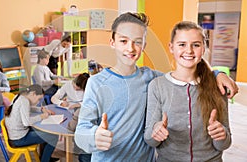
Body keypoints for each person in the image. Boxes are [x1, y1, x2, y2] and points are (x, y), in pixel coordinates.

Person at [74, 12, 238, 161]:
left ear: (144, 45)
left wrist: (216, 74)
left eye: (137, 42)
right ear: (112, 42)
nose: (130, 48)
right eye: (123, 41)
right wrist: (94, 136)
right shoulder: (96, 83)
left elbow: (185, 71)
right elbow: (81, 132)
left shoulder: (153, 79)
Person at [144, 21, 231, 162]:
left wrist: (221, 135)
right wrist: (155, 133)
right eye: (182, 44)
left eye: (196, 45)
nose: (189, 51)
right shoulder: (157, 86)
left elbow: (224, 144)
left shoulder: (218, 86)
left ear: (203, 48)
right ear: (171, 48)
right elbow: (149, 139)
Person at [4, 84, 59, 162]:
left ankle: (45, 158)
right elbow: (26, 122)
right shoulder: (24, 101)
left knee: (46, 132)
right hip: (19, 139)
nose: (39, 102)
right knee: (54, 137)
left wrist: (41, 109)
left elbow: (29, 109)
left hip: (16, 135)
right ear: (33, 94)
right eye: (39, 99)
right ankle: (45, 160)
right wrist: (42, 116)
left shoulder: (20, 97)